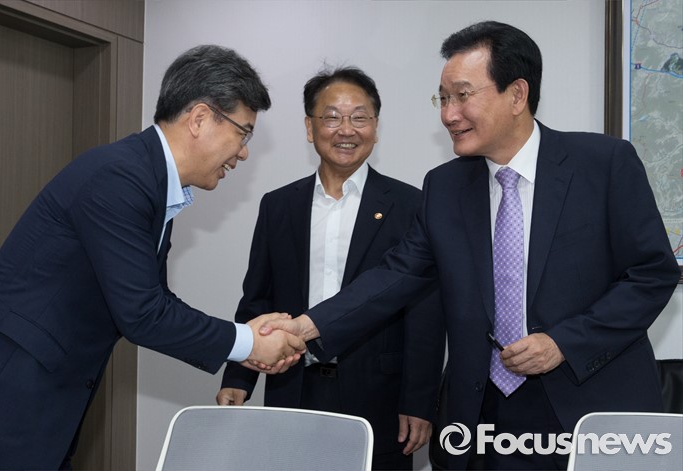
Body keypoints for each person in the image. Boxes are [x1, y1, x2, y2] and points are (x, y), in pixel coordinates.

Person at [259, 21, 681, 470]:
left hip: (590, 410)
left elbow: (651, 275)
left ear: (516, 95)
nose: (448, 114)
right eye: (443, 98)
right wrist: (306, 326)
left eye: (462, 96)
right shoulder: (444, 187)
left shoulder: (603, 164)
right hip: (482, 418)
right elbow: (394, 275)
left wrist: (563, 342)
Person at [0, 45, 305, 471]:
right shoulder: (120, 177)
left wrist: (243, 344)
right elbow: (143, 314)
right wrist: (248, 342)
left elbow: (154, 298)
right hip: (7, 395)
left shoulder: (148, 180)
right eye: (243, 134)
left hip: (42, 399)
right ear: (200, 118)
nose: (243, 152)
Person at [217, 66, 445, 470]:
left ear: (376, 127)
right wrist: (239, 377)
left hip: (379, 398)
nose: (347, 130)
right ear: (310, 127)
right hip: (292, 387)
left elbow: (425, 314)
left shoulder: (412, 205)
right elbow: (257, 299)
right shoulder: (279, 206)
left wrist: (418, 401)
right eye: (332, 117)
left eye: (360, 117)